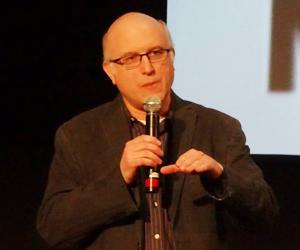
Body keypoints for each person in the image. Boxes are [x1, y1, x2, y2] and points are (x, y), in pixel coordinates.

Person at [37, 12, 278, 250]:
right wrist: (119, 178)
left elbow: (265, 214)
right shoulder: (79, 134)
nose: (148, 68)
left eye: (156, 53)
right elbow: (53, 230)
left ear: (172, 58)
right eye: (130, 58)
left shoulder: (219, 127)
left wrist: (220, 177)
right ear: (110, 71)